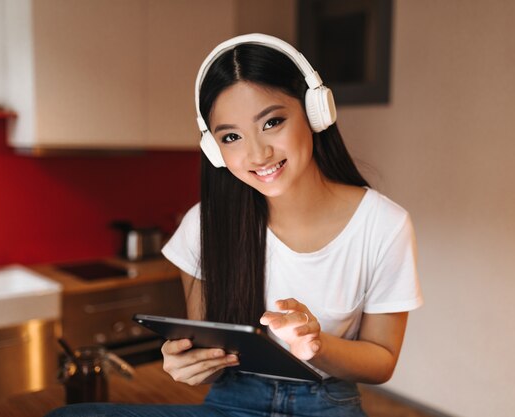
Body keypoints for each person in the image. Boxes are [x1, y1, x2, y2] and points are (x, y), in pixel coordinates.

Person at [46, 33, 423, 417]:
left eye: (272, 122)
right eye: (231, 137)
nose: (257, 154)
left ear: (315, 112)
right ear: (215, 149)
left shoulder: (383, 224)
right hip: (232, 402)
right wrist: (191, 366)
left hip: (326, 404)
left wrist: (317, 345)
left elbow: (382, 360)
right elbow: (209, 355)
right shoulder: (203, 226)